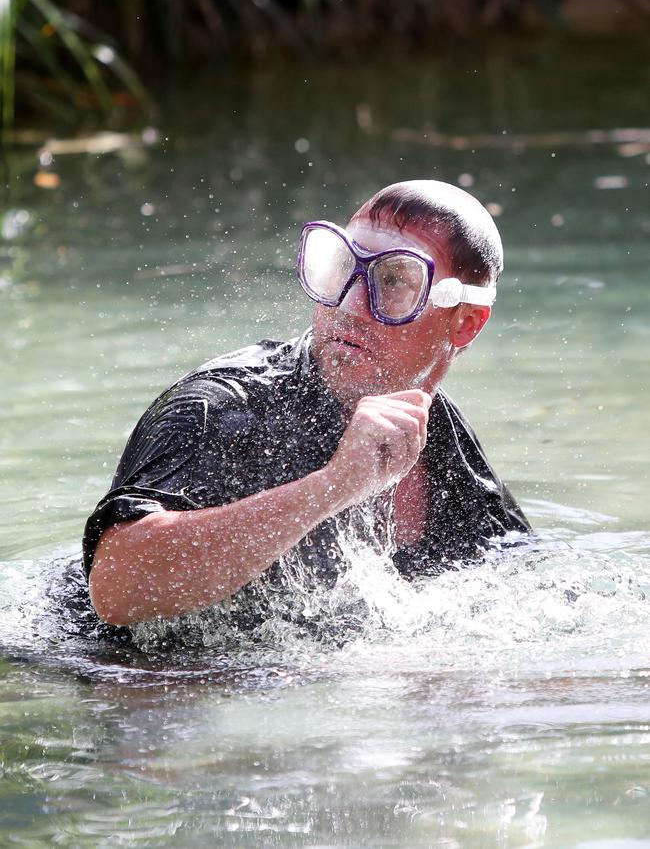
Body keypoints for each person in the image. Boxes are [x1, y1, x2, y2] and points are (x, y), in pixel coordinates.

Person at [83, 180, 531, 629]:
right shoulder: (224, 406)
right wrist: (333, 486)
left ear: (466, 324)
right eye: (342, 269)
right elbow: (116, 587)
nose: (351, 306)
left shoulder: (443, 439)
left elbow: (520, 587)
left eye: (394, 282)